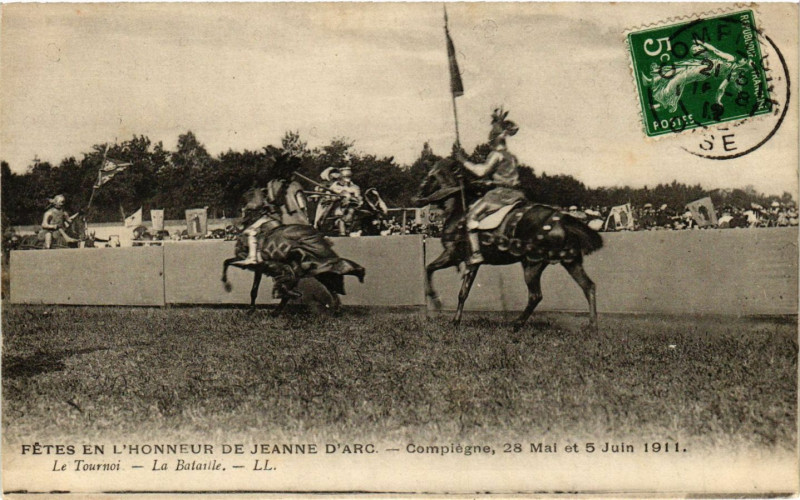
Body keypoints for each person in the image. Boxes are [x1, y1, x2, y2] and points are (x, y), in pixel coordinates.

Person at [456, 107, 527, 264]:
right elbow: (507, 178)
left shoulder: (496, 155)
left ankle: (476, 253)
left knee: (471, 217)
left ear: (494, 139)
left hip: (500, 196)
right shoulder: (512, 157)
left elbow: (481, 171)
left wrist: (463, 160)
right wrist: (491, 182)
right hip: (517, 195)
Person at [329, 167, 363, 235]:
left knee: (352, 211)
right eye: (345, 177)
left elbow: (358, 198)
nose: (346, 179)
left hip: (351, 206)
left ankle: (352, 228)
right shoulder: (334, 186)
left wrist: (355, 199)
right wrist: (336, 197)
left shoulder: (355, 187)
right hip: (337, 206)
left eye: (349, 176)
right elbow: (329, 197)